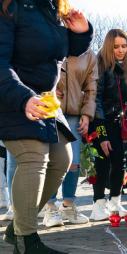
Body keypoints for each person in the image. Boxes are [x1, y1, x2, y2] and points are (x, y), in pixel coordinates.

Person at [0, 0, 93, 254]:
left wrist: (81, 33)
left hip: (41, 99)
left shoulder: (52, 6)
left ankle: (19, 226)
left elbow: (64, 50)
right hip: (7, 93)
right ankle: (27, 239)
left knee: (63, 158)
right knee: (33, 157)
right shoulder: (3, 4)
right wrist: (22, 98)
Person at [40, 48, 98, 226]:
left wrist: (87, 114)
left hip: (75, 112)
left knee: (73, 161)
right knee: (51, 160)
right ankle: (50, 208)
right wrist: (48, 88)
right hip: (50, 110)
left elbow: (92, 86)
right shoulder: (52, 41)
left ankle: (68, 206)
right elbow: (36, 71)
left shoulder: (88, 55)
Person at [89, 29, 127, 221]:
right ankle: (98, 204)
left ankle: (115, 200)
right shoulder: (100, 67)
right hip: (100, 121)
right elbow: (96, 102)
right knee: (103, 161)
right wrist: (101, 135)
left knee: (120, 162)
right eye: (116, 47)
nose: (121, 50)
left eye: (124, 46)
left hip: (121, 123)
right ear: (109, 47)